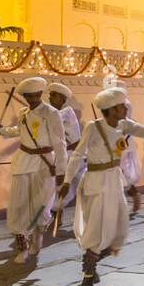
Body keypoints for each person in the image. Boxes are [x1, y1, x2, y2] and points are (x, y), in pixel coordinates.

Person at [56, 87, 144, 286]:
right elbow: (77, 155)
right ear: (110, 109)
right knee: (97, 231)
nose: (125, 108)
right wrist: (66, 180)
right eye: (121, 106)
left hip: (114, 182)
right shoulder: (93, 128)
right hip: (95, 183)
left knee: (118, 230)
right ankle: (87, 279)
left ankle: (91, 261)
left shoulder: (125, 125)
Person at [0, 77, 66, 263]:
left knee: (41, 206)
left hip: (45, 165)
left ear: (41, 94)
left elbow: (60, 143)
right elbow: (20, 130)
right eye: (29, 96)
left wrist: (61, 171)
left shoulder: (51, 113)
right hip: (23, 161)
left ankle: (38, 237)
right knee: (18, 206)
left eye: (36, 95)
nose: (33, 99)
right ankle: (22, 248)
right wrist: (2, 131)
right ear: (25, 96)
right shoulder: (23, 112)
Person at [49, 83, 83, 216]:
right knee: (61, 187)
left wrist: (36, 112)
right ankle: (57, 214)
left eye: (53, 95)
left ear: (62, 99)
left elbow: (53, 118)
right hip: (64, 155)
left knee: (80, 188)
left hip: (76, 156)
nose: (50, 98)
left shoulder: (67, 112)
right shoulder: (52, 113)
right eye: (50, 95)